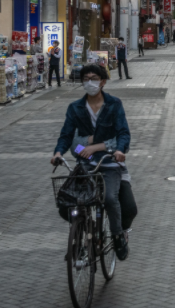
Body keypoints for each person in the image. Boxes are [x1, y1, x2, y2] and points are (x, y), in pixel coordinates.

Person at [52, 64, 131, 260]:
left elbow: (123, 133)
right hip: (84, 163)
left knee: (110, 199)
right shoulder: (75, 108)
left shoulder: (114, 104)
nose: (89, 82)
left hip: (109, 163)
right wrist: (59, 152)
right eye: (85, 79)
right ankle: (80, 235)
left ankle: (117, 236)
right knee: (69, 202)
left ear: (103, 82)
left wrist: (116, 149)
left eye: (94, 78)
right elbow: (68, 138)